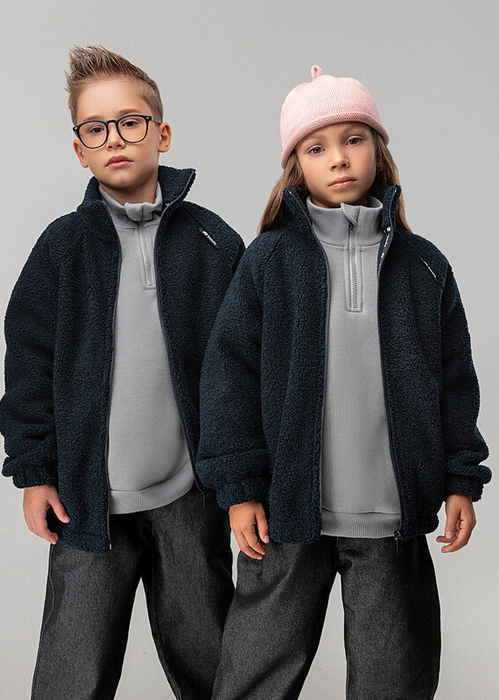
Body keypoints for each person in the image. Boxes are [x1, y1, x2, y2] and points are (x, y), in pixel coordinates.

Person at [196, 66, 491, 699]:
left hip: (392, 516)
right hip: (287, 511)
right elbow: (229, 378)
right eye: (316, 147)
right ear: (295, 167)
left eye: (353, 139)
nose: (338, 158)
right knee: (254, 676)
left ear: (378, 150)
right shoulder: (268, 261)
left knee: (395, 680)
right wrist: (241, 489)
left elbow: (454, 381)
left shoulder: (424, 267)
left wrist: (461, 478)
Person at [0, 45, 244, 700]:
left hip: (189, 494)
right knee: (71, 671)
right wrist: (35, 471)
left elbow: (242, 369)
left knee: (211, 659)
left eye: (130, 122)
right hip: (85, 498)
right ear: (79, 150)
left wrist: (242, 476)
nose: (114, 139)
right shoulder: (61, 248)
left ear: (161, 135)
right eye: (95, 128)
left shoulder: (214, 243)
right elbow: (28, 363)